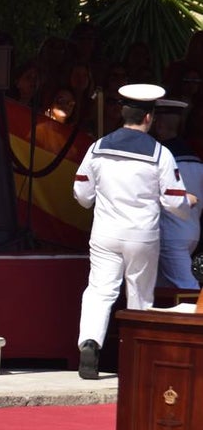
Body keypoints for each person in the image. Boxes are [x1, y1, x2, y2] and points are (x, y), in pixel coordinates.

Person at [74, 84, 195, 379]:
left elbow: (81, 192)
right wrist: (188, 202)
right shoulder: (160, 153)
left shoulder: (97, 147)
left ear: (123, 114)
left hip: (104, 231)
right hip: (142, 235)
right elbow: (173, 200)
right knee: (140, 295)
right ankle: (137, 358)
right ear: (149, 118)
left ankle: (90, 344)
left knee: (100, 290)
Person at [150, 99, 203, 290]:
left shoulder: (160, 159)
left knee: (188, 288)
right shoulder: (195, 159)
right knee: (161, 288)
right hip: (191, 232)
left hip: (170, 233)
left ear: (159, 124)